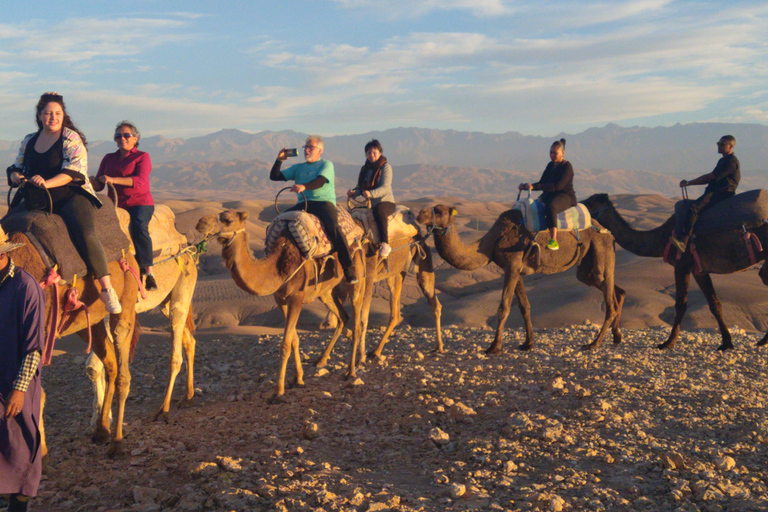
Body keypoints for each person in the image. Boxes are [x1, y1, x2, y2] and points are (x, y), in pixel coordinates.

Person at [6, 92, 122, 313]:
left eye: (57, 113)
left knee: (85, 232)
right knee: (4, 227)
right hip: (38, 197)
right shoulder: (30, 140)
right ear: (39, 116)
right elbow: (17, 166)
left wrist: (46, 183)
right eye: (48, 113)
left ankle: (106, 288)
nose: (53, 117)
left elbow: (73, 172)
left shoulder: (70, 138)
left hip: (71, 194)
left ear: (63, 115)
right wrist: (16, 177)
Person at [270, 135, 358, 284]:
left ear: (320, 150)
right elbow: (275, 176)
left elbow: (321, 181)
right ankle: (273, 262)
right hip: (304, 204)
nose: (307, 150)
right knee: (278, 222)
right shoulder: (299, 168)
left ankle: (348, 268)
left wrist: (304, 186)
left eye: (311, 147)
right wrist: (279, 160)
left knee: (334, 228)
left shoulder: (326, 165)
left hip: (323, 203)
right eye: (306, 147)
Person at [0, 227, 45, 512]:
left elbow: (33, 347)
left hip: (16, 380)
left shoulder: (25, 286)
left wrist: (18, 390)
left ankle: (19, 504)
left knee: (20, 443)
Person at [92, 121, 157, 291]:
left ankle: (148, 271)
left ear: (136, 138)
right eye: (118, 136)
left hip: (139, 203)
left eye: (126, 135)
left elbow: (141, 182)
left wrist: (112, 179)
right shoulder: (109, 158)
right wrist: (90, 181)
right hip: (114, 204)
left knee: (138, 225)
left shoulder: (142, 157)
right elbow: (99, 185)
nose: (122, 138)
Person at [671, 135, 740, 252]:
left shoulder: (731, 162)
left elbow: (710, 177)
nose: (719, 146)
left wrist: (689, 183)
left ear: (731, 146)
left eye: (722, 144)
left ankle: (684, 241)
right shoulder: (724, 160)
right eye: (718, 144)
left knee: (693, 209)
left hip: (720, 193)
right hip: (715, 192)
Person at [518, 138, 577, 250]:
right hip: (550, 195)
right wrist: (526, 187)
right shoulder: (550, 165)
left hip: (565, 196)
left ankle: (554, 240)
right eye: (551, 152)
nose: (552, 155)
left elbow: (557, 186)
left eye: (555, 153)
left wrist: (536, 186)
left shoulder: (567, 167)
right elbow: (542, 183)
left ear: (562, 153)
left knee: (551, 207)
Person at [347, 139, 396, 258]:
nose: (372, 155)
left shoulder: (385, 167)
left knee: (379, 211)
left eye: (374, 152)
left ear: (380, 153)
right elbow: (361, 187)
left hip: (386, 202)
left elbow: (385, 187)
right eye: (369, 153)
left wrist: (371, 194)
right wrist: (353, 192)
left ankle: (385, 243)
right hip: (371, 204)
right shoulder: (365, 169)